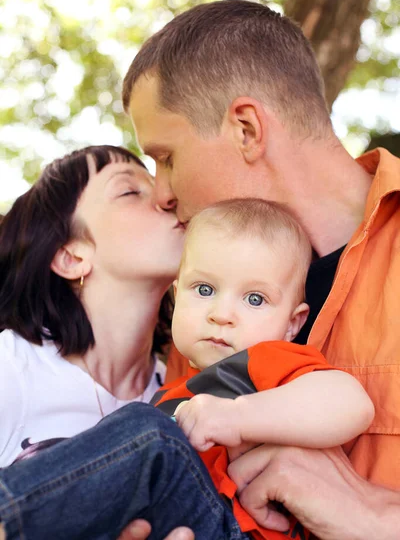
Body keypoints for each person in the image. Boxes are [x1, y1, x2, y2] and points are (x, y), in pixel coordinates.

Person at [121, 0, 400, 539]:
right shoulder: (205, 313)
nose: (161, 191)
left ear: (247, 128)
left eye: (168, 158)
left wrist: (376, 517)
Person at [0, 197, 374, 540]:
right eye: (205, 289)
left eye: (255, 299)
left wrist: (238, 417)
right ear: (177, 295)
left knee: (148, 432)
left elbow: (351, 404)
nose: (222, 315)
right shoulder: (172, 391)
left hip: (239, 529)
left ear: (293, 324)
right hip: (185, 524)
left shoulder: (266, 360)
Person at [0, 144, 184, 466]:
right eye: (130, 191)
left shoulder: (181, 392)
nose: (167, 196)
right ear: (71, 257)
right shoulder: (11, 373)